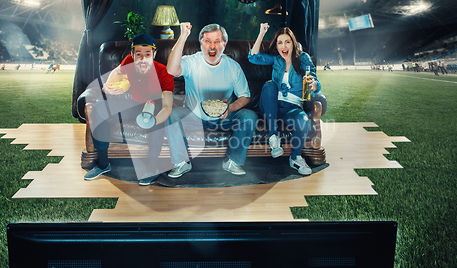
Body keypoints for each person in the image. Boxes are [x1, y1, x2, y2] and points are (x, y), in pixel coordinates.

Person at [165, 23, 257, 177]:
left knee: (249, 116)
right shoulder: (191, 61)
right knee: (171, 115)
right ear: (201, 43)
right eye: (207, 41)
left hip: (223, 117)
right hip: (193, 115)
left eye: (217, 41)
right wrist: (183, 36)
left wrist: (230, 108)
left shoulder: (233, 67)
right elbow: (171, 70)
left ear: (224, 44)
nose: (212, 46)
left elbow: (245, 96)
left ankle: (233, 161)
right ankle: (181, 163)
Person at [84, 33, 174, 185]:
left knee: (158, 120)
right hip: (133, 104)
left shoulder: (164, 72)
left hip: (155, 107)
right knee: (100, 107)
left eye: (148, 54)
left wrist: (154, 121)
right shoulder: (128, 62)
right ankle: (103, 164)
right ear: (132, 55)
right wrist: (109, 84)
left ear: (154, 54)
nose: (143, 59)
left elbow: (167, 107)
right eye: (138, 55)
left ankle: (152, 168)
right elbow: (117, 72)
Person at [248, 23, 321, 175]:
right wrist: (261, 33)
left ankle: (295, 158)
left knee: (303, 120)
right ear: (276, 45)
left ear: (293, 44)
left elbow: (314, 81)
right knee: (269, 85)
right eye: (280, 42)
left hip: (292, 109)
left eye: (287, 41)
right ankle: (273, 137)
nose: (284, 46)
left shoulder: (303, 58)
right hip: (270, 106)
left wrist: (313, 85)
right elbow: (253, 58)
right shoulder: (276, 59)